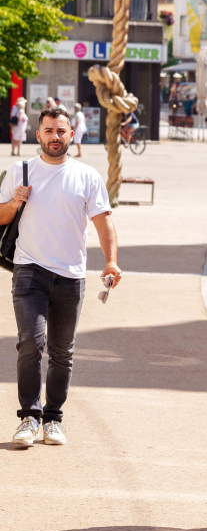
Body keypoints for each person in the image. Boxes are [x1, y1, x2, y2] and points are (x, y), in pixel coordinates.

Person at [1, 106, 122, 447]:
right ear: (37, 135)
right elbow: (0, 215)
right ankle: (29, 417)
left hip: (71, 275)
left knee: (62, 351)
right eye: (49, 131)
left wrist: (111, 261)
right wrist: (14, 203)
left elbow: (103, 221)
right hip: (29, 271)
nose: (56, 136)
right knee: (30, 344)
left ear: (72, 135)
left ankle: (53, 418)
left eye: (62, 131)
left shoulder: (87, 176)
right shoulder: (19, 170)